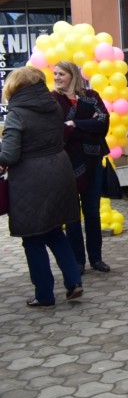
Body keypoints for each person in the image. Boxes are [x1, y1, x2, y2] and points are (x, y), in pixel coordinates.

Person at [0, 67, 83, 306]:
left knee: (32, 238)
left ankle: (45, 295)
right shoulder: (53, 105)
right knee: (55, 230)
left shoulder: (17, 114)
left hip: (30, 179)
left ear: (14, 86)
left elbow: (9, 155)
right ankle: (74, 281)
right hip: (59, 171)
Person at [51, 60, 112, 274]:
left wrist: (75, 124)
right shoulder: (52, 100)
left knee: (92, 213)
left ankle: (96, 258)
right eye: (55, 74)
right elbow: (58, 131)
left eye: (61, 74)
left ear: (73, 75)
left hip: (93, 162)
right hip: (66, 164)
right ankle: (77, 261)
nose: (57, 77)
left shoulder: (91, 96)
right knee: (72, 217)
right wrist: (88, 125)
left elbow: (103, 123)